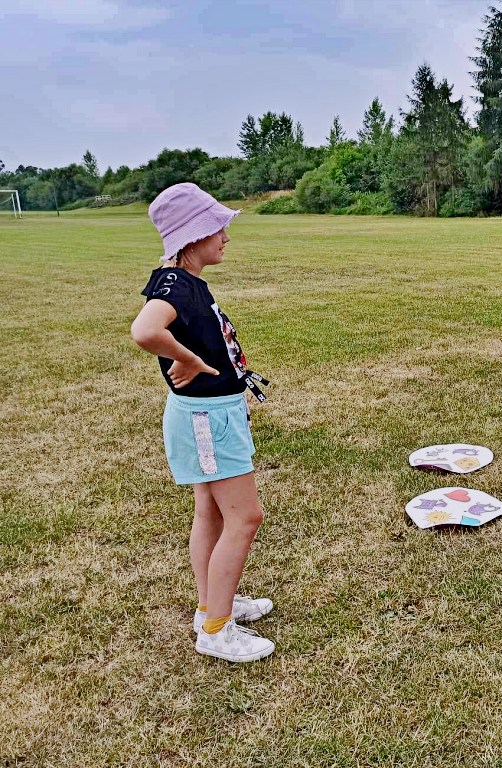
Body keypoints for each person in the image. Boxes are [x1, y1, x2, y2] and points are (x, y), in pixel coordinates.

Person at [130, 183, 274, 663]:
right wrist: (188, 358)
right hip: (206, 421)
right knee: (245, 517)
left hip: (214, 415)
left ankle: (214, 605)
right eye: (218, 229)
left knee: (210, 514)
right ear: (192, 237)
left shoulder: (185, 282)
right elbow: (145, 330)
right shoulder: (176, 286)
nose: (226, 237)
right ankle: (215, 630)